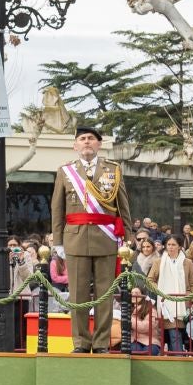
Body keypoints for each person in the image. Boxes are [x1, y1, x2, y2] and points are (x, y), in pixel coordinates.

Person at [50, 127, 132, 352]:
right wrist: (58, 242)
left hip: (106, 239)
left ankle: (101, 343)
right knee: (78, 295)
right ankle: (81, 342)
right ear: (75, 145)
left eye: (91, 139)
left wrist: (128, 237)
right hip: (74, 239)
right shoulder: (65, 172)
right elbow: (57, 209)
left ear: (99, 144)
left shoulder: (113, 170)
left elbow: (123, 207)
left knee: (105, 295)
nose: (87, 142)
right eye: (82, 139)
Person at [155, 235, 193, 354]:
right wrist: (161, 291)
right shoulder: (159, 262)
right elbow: (149, 280)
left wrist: (191, 299)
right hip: (165, 304)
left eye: (173, 245)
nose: (170, 247)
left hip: (182, 304)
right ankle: (177, 358)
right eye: (169, 245)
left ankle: (177, 358)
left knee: (176, 333)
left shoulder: (187, 262)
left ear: (180, 246)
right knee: (172, 333)